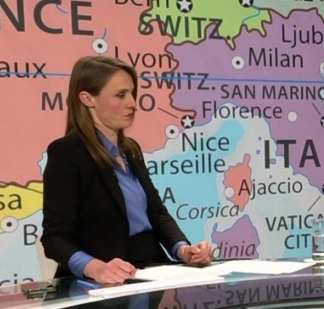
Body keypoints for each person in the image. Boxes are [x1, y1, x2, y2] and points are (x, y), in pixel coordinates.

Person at [41, 55, 212, 285]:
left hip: (151, 270)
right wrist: (96, 268)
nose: (132, 103)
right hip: (102, 284)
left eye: (132, 93)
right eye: (121, 95)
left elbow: (157, 215)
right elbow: (55, 238)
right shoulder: (67, 153)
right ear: (87, 99)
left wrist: (183, 250)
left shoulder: (131, 150)